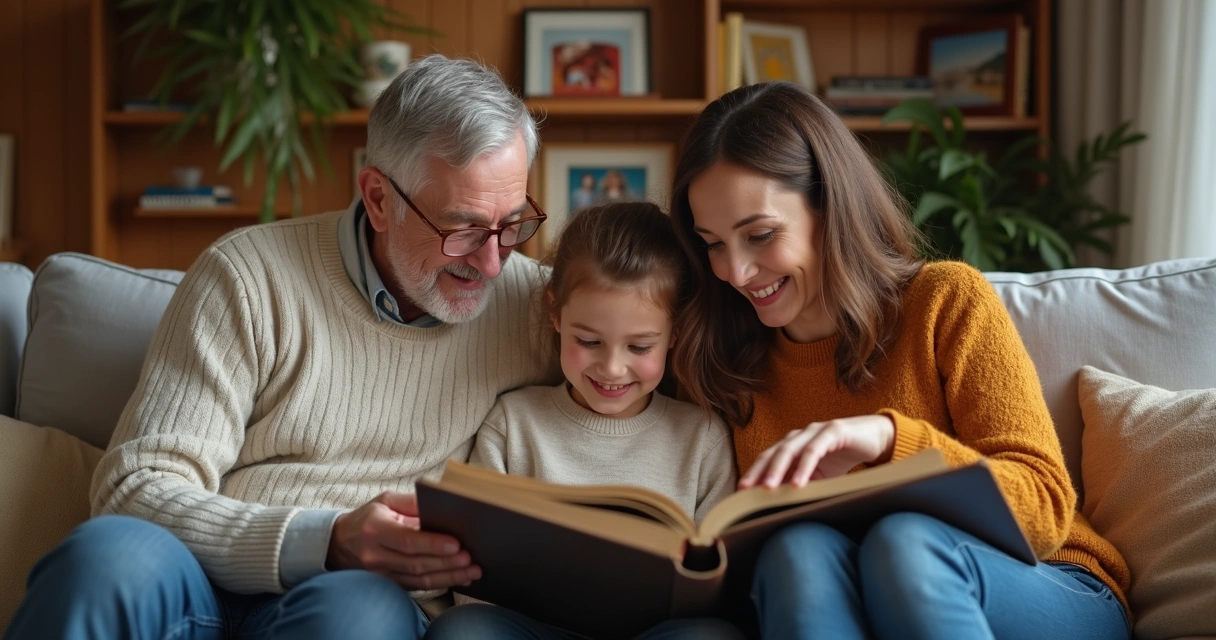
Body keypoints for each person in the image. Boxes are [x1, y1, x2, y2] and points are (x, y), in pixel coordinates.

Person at [6, 55, 563, 640]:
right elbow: (133, 488)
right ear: (378, 198)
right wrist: (323, 541)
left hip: (359, 605)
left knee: (357, 615)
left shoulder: (533, 310)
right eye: (464, 228)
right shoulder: (247, 276)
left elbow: (639, 380)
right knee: (106, 558)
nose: (493, 260)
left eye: (512, 223)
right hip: (201, 576)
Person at [667, 81, 1131, 639]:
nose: (736, 272)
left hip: (1049, 585)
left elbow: (1046, 508)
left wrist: (889, 442)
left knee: (903, 542)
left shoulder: (946, 302)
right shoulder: (721, 358)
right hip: (858, 596)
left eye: (760, 235)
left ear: (829, 207)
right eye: (714, 244)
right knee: (797, 551)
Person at [424, 202, 742, 640]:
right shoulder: (515, 424)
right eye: (588, 341)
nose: (612, 368)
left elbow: (718, 580)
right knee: (465, 629)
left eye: (640, 347)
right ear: (555, 312)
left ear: (677, 332)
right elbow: (474, 575)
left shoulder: (701, 437)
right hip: (534, 629)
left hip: (651, 633)